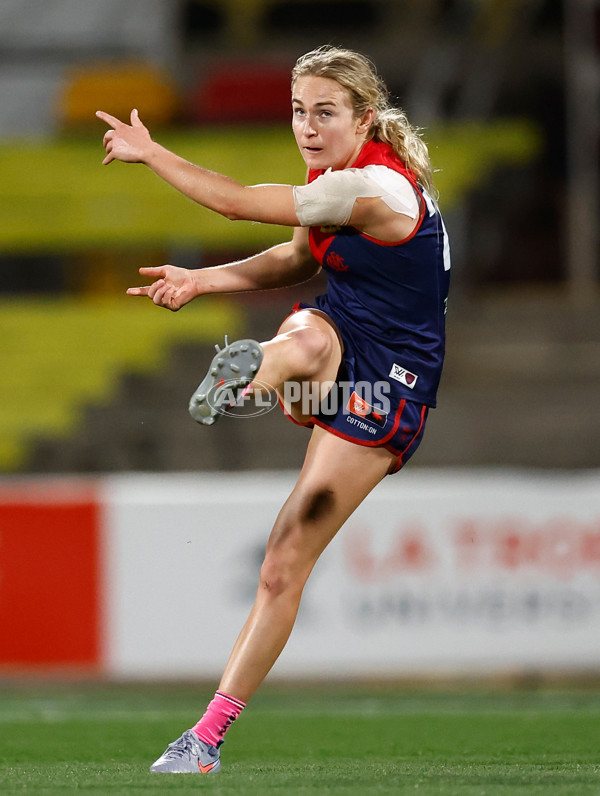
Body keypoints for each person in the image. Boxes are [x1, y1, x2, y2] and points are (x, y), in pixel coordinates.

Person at [97, 45, 451, 775]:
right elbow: (297, 260)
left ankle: (206, 739)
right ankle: (253, 370)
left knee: (284, 562)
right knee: (305, 330)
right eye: (299, 111)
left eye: (325, 112)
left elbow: (233, 202)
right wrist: (200, 281)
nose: (308, 128)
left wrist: (153, 153)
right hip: (338, 339)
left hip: (387, 390)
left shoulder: (375, 189)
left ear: (364, 117)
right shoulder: (334, 175)